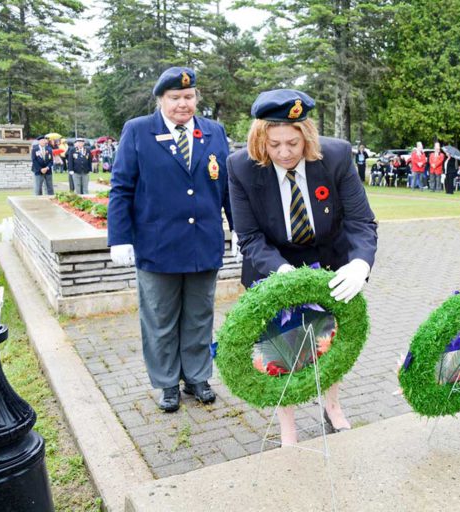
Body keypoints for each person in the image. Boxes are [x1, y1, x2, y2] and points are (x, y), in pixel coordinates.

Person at [227, 89, 377, 446]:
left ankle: (332, 406)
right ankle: (288, 425)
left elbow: (360, 221)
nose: (284, 153)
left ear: (307, 136)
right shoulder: (240, 167)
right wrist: (282, 275)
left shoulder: (336, 156)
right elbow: (249, 236)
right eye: (274, 144)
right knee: (283, 344)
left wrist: (359, 263)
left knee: (330, 339)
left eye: (293, 143)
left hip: (328, 260)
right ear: (260, 139)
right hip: (273, 263)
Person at [107, 66, 235, 413]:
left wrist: (238, 228)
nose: (183, 104)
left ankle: (197, 376)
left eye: (189, 96)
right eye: (175, 97)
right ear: (161, 100)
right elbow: (122, 187)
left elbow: (227, 185)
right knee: (160, 319)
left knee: (199, 316)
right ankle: (166, 382)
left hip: (202, 243)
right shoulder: (138, 131)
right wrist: (119, 237)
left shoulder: (213, 131)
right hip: (157, 245)